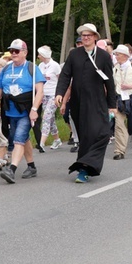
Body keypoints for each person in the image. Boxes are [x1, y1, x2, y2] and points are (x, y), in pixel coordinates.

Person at [55, 23, 117, 183]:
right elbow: (65, 75)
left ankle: (84, 167)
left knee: (101, 133)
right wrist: (60, 93)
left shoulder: (103, 56)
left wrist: (112, 105)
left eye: (89, 35)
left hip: (97, 103)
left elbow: (109, 82)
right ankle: (84, 167)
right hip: (78, 103)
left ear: (95, 37)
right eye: (83, 35)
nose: (86, 37)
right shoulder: (75, 54)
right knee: (84, 136)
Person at [0, 39, 45, 184]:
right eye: (11, 51)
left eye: (16, 51)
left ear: (25, 52)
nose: (13, 54)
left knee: (18, 139)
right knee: (23, 138)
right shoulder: (7, 69)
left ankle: (11, 170)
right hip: (10, 111)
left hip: (26, 111)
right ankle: (31, 166)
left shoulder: (32, 68)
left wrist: (34, 109)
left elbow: (40, 92)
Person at [111, 44, 132, 159]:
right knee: (119, 125)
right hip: (119, 98)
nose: (116, 56)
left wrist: (130, 86)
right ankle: (119, 151)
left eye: (118, 54)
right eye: (115, 54)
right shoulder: (115, 68)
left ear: (125, 56)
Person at [37, 45, 62, 150]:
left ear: (44, 55)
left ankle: (41, 143)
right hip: (44, 94)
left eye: (39, 54)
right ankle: (57, 140)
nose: (38, 56)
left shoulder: (55, 65)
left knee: (46, 116)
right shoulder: (40, 66)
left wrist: (60, 94)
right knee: (50, 118)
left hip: (53, 94)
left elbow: (61, 80)